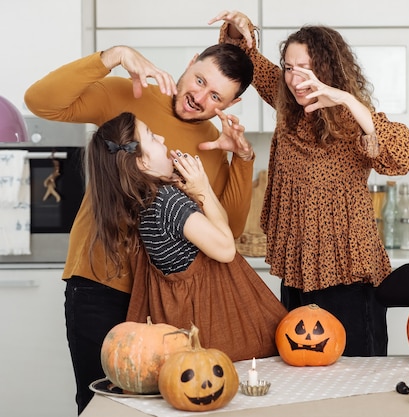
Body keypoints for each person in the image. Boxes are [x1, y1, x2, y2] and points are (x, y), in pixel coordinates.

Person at [24, 43, 255, 414]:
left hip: (163, 302)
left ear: (230, 105)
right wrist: (113, 56)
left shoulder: (213, 142)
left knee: (159, 407)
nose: (199, 97)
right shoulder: (128, 96)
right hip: (100, 285)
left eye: (216, 96)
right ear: (191, 61)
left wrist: (242, 159)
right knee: (100, 405)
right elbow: (40, 102)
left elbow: (227, 230)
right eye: (199, 80)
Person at [210, 11, 409, 357]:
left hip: (348, 274)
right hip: (298, 271)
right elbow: (243, 58)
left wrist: (348, 100)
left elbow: (402, 155)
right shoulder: (286, 107)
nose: (293, 78)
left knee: (358, 383)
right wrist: (236, 27)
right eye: (289, 68)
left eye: (304, 68)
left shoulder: (353, 122)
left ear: (328, 70)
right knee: (301, 376)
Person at [88, 111, 286, 364]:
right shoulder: (167, 201)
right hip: (216, 334)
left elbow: (219, 229)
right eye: (151, 135)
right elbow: (225, 249)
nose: (160, 136)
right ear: (142, 163)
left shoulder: (148, 202)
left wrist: (201, 192)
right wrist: (201, 188)